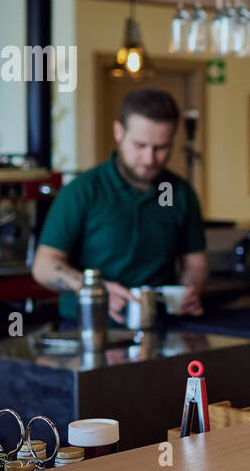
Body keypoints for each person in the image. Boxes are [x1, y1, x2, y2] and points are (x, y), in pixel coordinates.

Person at [33, 88, 208, 324]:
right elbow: (44, 265)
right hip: (87, 328)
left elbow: (195, 263)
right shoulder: (82, 190)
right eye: (140, 146)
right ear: (118, 132)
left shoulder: (181, 193)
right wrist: (93, 289)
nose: (149, 159)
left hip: (159, 326)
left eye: (161, 148)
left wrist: (190, 290)